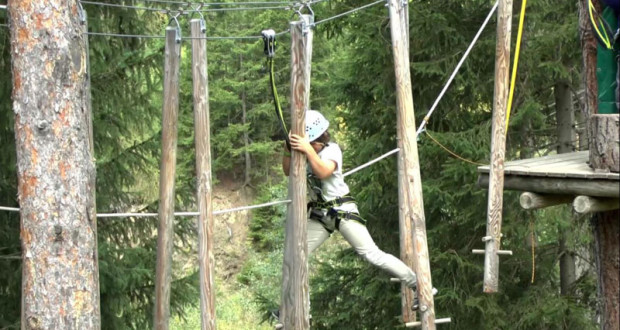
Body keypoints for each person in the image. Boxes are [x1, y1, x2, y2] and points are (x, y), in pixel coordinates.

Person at [281, 110, 419, 309]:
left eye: (309, 143)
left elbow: (322, 171)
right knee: (294, 253)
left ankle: (418, 285)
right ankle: (297, 306)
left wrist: (308, 150)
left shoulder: (331, 150)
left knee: (372, 254)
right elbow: (287, 171)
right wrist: (288, 149)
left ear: (316, 140)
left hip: (342, 211)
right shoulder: (305, 153)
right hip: (320, 216)